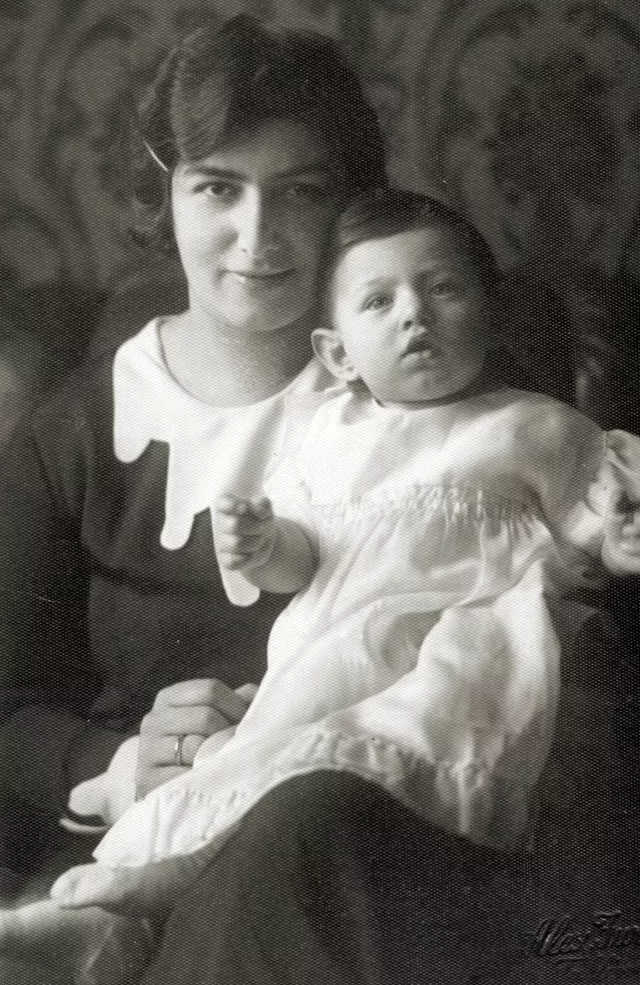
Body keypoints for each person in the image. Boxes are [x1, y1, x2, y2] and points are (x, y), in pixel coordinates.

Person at [4, 190, 640, 984]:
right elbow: (301, 555)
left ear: (489, 309)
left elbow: (594, 530)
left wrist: (617, 543)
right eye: (380, 302)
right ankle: (100, 929)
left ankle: (168, 886)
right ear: (339, 354)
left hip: (455, 651)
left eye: (443, 289)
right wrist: (262, 543)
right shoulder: (330, 436)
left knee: (336, 771)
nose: (416, 317)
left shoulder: (534, 426)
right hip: (335, 651)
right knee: (247, 765)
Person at [0, 12, 387, 980]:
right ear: (162, 191)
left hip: (356, 832)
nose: (257, 237)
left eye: (301, 192)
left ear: (349, 205)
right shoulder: (79, 427)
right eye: (218, 187)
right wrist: (123, 761)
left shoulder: (417, 397)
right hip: (139, 841)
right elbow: (9, 699)